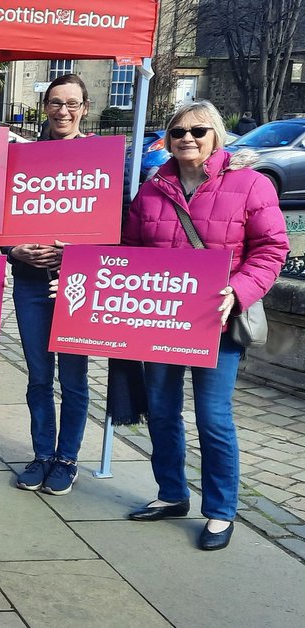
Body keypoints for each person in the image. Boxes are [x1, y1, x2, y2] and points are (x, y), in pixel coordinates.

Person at [123, 100, 288, 551]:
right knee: (161, 412)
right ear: (168, 139)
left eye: (198, 131)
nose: (187, 139)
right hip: (162, 322)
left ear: (216, 134)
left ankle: (220, 510)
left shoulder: (250, 185)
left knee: (213, 419)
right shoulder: (153, 188)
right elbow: (131, 251)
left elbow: (272, 249)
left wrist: (240, 290)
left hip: (217, 321)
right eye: (178, 132)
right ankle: (171, 493)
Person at [6, 74, 93, 496]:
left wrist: (74, 255)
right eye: (56, 103)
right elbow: (1, 219)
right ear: (46, 108)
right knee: (39, 376)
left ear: (85, 108)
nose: (63, 110)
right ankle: (42, 454)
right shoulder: (24, 157)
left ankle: (67, 458)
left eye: (72, 103)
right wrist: (13, 250)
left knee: (74, 378)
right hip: (30, 283)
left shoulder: (100, 158)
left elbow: (116, 229)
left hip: (80, 285)